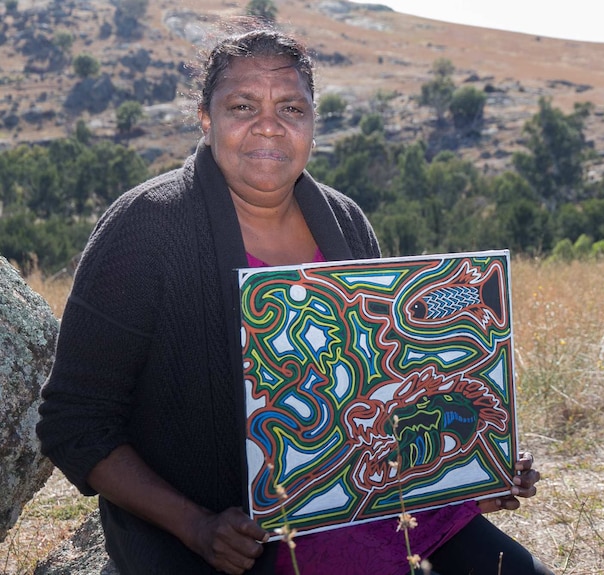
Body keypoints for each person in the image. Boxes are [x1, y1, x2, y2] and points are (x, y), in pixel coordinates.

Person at [37, 23, 553, 575]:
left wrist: (469, 464)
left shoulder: (345, 222)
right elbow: (74, 423)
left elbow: (383, 396)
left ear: (312, 121)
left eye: (291, 108)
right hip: (228, 540)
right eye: (241, 106)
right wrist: (197, 526)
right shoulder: (146, 229)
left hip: (368, 509)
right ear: (206, 119)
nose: (268, 126)